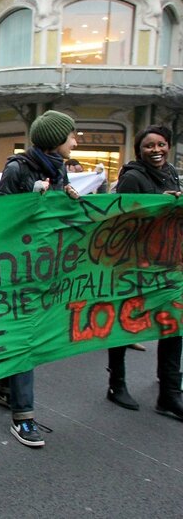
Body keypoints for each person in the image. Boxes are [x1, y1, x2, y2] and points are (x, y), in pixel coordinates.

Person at [0, 110, 80, 447]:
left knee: (25, 334)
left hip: (44, 266)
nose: (75, 141)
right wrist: (30, 197)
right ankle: (23, 417)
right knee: (26, 338)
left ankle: (3, 385)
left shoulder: (58, 169)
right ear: (56, 139)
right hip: (16, 269)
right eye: (71, 135)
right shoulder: (18, 168)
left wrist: (67, 197)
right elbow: (0, 216)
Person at [105, 124, 183, 419]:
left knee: (174, 323)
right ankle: (116, 385)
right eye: (149, 146)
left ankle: (169, 393)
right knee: (125, 324)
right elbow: (120, 221)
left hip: (167, 265)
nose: (156, 150)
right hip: (134, 266)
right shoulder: (133, 178)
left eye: (161, 144)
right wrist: (159, 208)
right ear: (140, 150)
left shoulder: (171, 171)